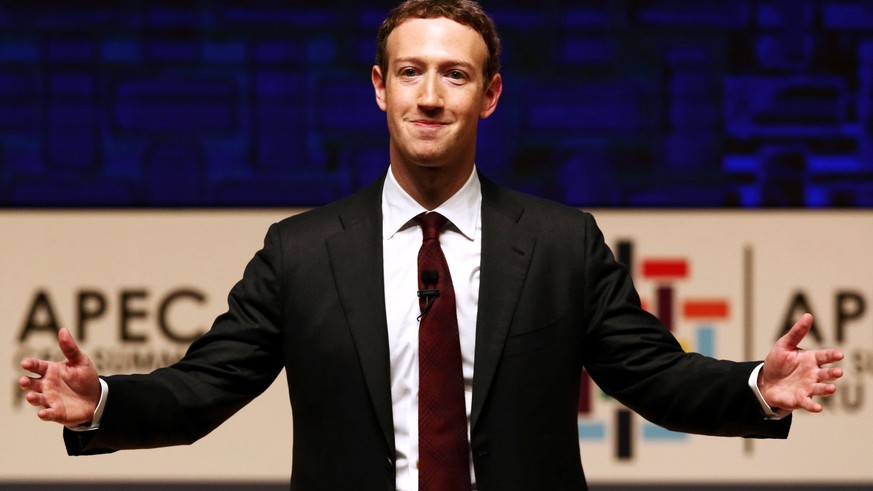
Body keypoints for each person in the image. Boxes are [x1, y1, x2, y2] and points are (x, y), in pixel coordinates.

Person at [20, 1, 844, 490]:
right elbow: (204, 387)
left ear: (489, 96)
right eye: (410, 72)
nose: (429, 95)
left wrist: (755, 386)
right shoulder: (301, 252)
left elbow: (656, 377)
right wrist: (104, 404)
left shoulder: (561, 244)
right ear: (378, 88)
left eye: (454, 75)